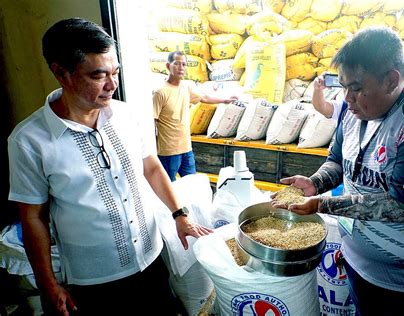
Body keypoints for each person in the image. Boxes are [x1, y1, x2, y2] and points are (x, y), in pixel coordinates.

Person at [7, 18, 212, 316]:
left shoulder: (127, 116)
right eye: (97, 75)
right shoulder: (29, 140)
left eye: (115, 73)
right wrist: (48, 284)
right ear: (61, 73)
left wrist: (180, 214)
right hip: (95, 280)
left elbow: (151, 167)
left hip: (150, 259)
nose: (111, 85)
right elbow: (32, 217)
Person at [272, 27, 404, 316]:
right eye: (343, 87)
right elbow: (338, 161)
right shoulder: (353, 110)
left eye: (356, 88)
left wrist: (322, 203)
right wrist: (315, 183)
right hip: (361, 264)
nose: (347, 98)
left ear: (391, 79)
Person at [152, 51, 238, 181]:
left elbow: (204, 97)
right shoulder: (160, 92)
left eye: (184, 64)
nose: (181, 68)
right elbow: (152, 122)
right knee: (168, 186)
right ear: (168, 66)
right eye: (177, 64)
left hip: (186, 149)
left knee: (192, 185)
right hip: (168, 152)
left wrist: (224, 99)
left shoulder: (186, 88)